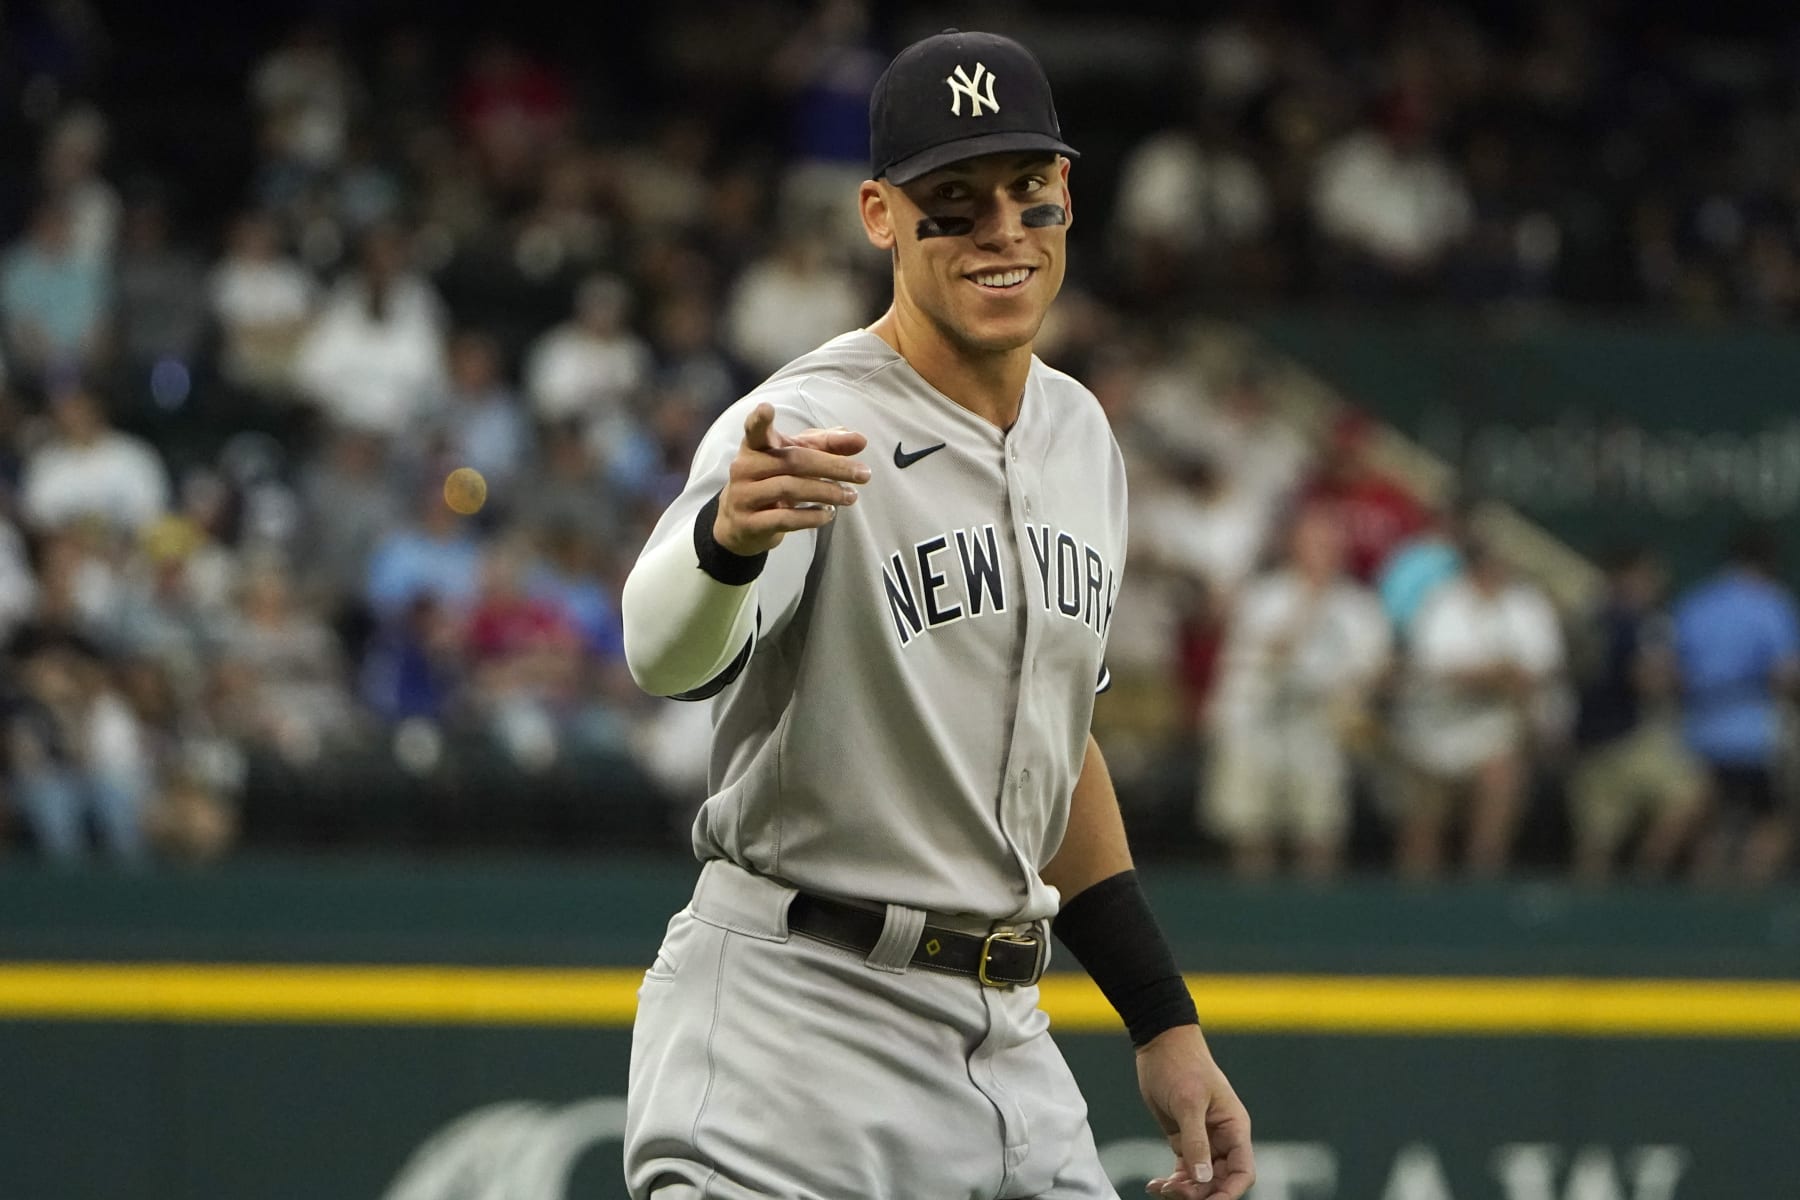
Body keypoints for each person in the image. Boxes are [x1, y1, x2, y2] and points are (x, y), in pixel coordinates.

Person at [619, 30, 1253, 1200]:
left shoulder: (1081, 437)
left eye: (1030, 193)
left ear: (1069, 197)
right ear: (879, 215)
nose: (1002, 231)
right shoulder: (807, 420)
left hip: (1006, 1033)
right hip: (795, 1027)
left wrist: (1163, 1020)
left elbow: (1057, 752)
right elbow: (661, 656)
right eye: (952, 204)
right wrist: (723, 543)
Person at [1202, 503, 1391, 880]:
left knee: (1319, 830)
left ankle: (1316, 921)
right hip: (1255, 722)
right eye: (1313, 541)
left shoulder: (1358, 605)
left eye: (1330, 542)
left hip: (1319, 728)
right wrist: (1311, 603)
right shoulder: (1264, 596)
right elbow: (1272, 652)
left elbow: (1376, 667)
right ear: (1294, 545)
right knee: (1252, 831)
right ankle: (1253, 921)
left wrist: (1354, 693)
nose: (1323, 550)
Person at [1392, 538, 1565, 878]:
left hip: (1494, 731)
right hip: (1432, 732)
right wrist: (1498, 675)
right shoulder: (1442, 602)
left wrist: (1492, 676)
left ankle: (1481, 890)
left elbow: (1539, 672)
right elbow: (1443, 671)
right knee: (1422, 830)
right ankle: (1414, 910)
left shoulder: (1528, 606)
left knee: (1500, 783)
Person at [1566, 548, 1705, 883]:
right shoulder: (1637, 622)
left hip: (1588, 740)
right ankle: (1644, 883)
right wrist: (1676, 677)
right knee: (1688, 796)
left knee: (1596, 841)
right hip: (1627, 739)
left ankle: (1587, 918)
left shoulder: (1585, 619)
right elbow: (1646, 680)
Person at [1671, 527, 1800, 886]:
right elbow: (1786, 674)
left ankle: (1704, 899)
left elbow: (1672, 670)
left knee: (1711, 822)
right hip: (1754, 735)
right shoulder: (1770, 604)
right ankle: (1749, 891)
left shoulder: (1696, 603)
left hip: (1697, 733)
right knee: (1774, 818)